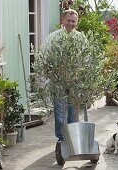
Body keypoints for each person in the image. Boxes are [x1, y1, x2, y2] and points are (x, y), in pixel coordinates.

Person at [36, 9, 87, 142]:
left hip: (75, 81)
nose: (70, 23)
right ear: (62, 21)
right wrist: (48, 73)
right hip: (58, 80)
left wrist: (83, 75)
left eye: (73, 21)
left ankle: (73, 136)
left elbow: (87, 58)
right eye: (68, 20)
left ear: (77, 22)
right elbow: (42, 56)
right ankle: (61, 138)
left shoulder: (80, 38)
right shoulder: (53, 38)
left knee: (73, 110)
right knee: (59, 110)